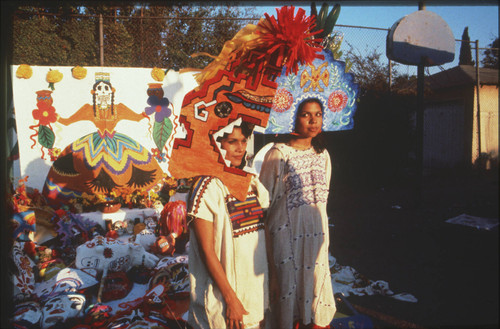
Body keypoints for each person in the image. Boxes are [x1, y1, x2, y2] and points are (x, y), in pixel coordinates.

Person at [259, 98, 336, 329]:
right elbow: (263, 204)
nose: (313, 120)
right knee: (284, 296)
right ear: (293, 117)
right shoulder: (278, 154)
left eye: (318, 114)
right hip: (285, 239)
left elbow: (322, 201)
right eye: (306, 114)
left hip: (316, 238)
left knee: (314, 294)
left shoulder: (323, 155)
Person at [187, 121, 270, 329]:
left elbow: (262, 237)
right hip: (223, 297)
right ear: (216, 143)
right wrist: (231, 299)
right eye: (232, 141)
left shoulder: (251, 181)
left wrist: (271, 282)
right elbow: (207, 252)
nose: (240, 148)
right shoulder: (206, 186)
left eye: (243, 141)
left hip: (253, 291)